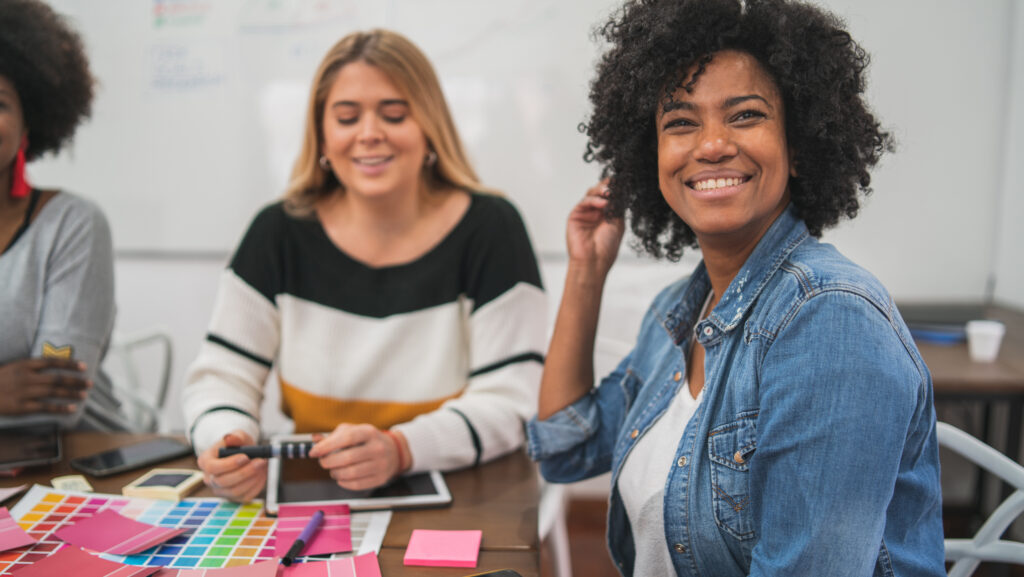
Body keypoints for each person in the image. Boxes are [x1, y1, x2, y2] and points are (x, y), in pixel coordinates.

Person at [528, 0, 944, 575]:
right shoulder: (680, 309)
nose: (711, 144)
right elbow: (563, 449)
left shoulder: (830, 320)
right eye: (680, 122)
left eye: (745, 115)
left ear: (797, 146)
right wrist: (585, 274)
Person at [184, 29, 546, 502]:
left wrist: (401, 448)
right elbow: (221, 374)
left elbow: (512, 399)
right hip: (316, 487)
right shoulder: (277, 231)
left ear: (429, 127)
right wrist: (225, 438)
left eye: (394, 114)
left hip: (460, 487)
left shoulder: (491, 227)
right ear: (323, 136)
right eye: (347, 117)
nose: (369, 133)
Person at [0, 0, 124, 431]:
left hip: (81, 468)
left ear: (28, 123)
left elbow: (50, 402)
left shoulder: (73, 225)